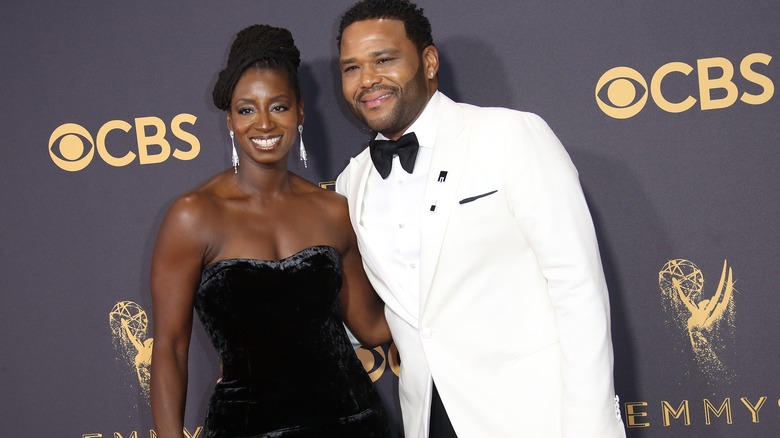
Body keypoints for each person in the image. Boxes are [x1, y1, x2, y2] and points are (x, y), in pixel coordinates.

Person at [334, 1, 627, 437]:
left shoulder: (510, 136)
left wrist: (590, 425)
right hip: (428, 419)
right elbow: (368, 314)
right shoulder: (351, 182)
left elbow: (578, 286)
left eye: (384, 59)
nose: (367, 80)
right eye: (351, 67)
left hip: (536, 416)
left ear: (428, 62)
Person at [149, 24, 391, 438]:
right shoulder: (193, 216)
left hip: (352, 424)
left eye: (277, 107)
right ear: (229, 120)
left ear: (299, 111)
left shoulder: (333, 210)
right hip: (247, 428)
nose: (263, 123)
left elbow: (370, 327)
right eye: (247, 109)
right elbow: (170, 348)